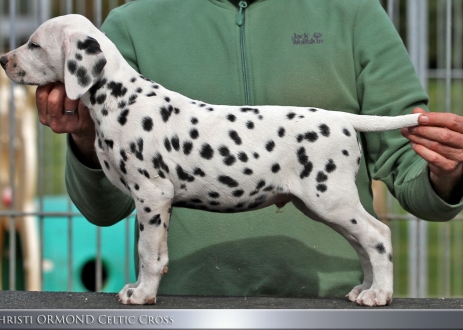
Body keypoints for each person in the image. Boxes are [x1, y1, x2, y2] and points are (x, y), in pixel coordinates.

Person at [36, 0, 463, 298]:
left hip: (329, 305)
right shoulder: (129, 26)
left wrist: (446, 172)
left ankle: (378, 269)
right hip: (187, 303)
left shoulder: (355, 13)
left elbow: (408, 166)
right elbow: (109, 205)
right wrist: (86, 137)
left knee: (340, 208)